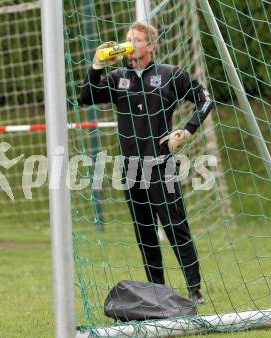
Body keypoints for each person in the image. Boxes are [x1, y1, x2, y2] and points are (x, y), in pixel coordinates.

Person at [79, 22, 214, 305]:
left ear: (150, 46)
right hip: (130, 167)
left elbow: (205, 99)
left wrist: (187, 130)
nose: (130, 44)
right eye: (128, 39)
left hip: (161, 164)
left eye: (136, 40)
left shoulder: (169, 75)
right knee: (144, 231)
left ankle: (194, 288)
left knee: (175, 226)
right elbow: (86, 97)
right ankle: (157, 291)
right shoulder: (118, 78)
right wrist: (96, 65)